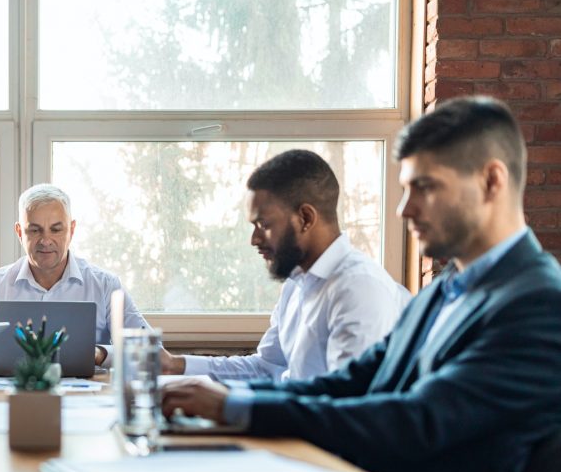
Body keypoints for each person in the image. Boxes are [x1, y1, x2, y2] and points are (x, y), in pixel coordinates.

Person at [161, 96, 561, 472]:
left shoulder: (538, 302)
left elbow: (417, 421)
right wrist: (226, 402)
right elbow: (351, 380)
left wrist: (239, 406)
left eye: (423, 187)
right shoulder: (447, 289)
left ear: (491, 181)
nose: (403, 209)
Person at [162, 150, 411, 382]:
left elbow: (345, 407)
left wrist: (230, 406)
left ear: (305, 218)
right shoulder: (296, 284)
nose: (254, 240)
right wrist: (176, 365)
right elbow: (265, 368)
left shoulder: (358, 288)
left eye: (264, 225)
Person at [0, 184, 150, 366]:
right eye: (35, 230)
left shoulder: (106, 285)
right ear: (20, 232)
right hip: (8, 396)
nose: (45, 240)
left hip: (88, 398)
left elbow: (149, 350)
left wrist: (100, 354)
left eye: (56, 230)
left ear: (71, 230)